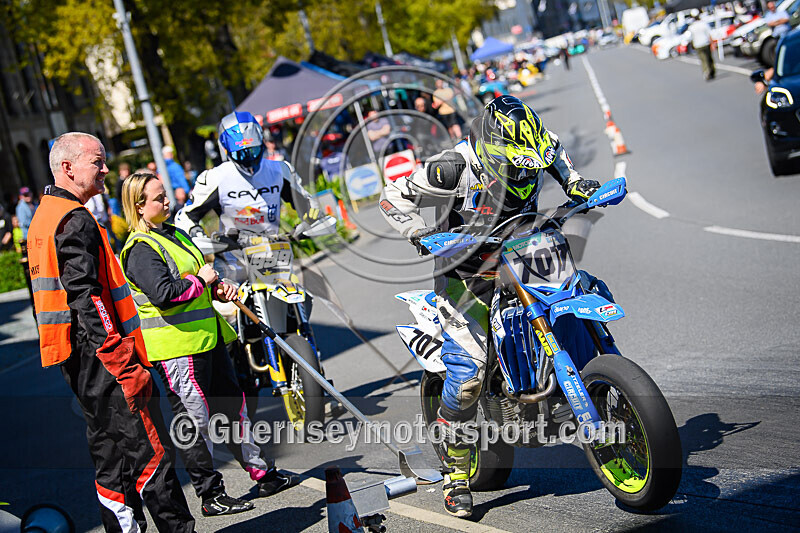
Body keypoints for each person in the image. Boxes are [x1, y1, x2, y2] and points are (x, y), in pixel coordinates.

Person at [379, 95, 604, 518]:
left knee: (585, 293)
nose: (523, 172)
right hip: (466, 275)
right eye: (516, 165)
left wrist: (576, 184)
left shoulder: (539, 142)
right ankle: (456, 475)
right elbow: (393, 196)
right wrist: (418, 232)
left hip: (526, 251)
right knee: (468, 373)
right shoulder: (451, 167)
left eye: (528, 166)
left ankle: (592, 378)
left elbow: (558, 158)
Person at [26, 132, 196, 532]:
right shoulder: (73, 219)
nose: (105, 170)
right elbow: (87, 299)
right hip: (104, 359)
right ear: (68, 168)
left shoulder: (44, 216)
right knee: (150, 452)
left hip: (76, 360)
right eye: (97, 162)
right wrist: (122, 361)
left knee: (111, 461)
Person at [119, 172, 297, 517]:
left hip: (209, 338)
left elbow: (201, 275)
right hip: (178, 350)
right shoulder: (140, 250)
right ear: (139, 206)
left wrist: (218, 287)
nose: (167, 201)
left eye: (165, 195)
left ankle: (263, 474)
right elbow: (167, 295)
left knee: (234, 409)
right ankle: (210, 494)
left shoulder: (175, 235)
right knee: (196, 423)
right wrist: (202, 279)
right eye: (158, 198)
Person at [175, 110, 319, 247]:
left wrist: (309, 220)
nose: (248, 158)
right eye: (241, 154)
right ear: (227, 150)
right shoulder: (216, 178)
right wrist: (196, 233)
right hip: (233, 259)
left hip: (276, 252)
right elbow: (185, 216)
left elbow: (306, 203)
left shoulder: (280, 170)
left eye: (253, 150)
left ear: (261, 141)